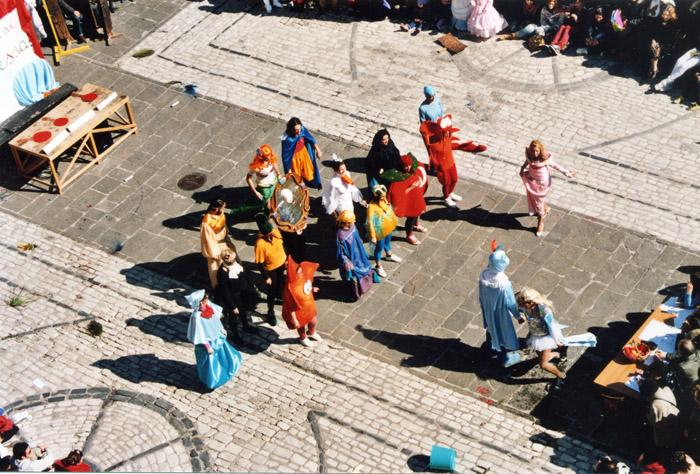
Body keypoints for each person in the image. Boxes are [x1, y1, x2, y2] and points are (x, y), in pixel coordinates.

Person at [420, 114, 486, 208]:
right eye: (445, 132)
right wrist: (438, 166)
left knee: (454, 179)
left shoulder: (447, 139)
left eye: (448, 131)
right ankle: (446, 198)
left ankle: (451, 193)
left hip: (451, 163)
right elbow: (433, 157)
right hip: (443, 167)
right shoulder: (435, 145)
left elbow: (454, 146)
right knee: (446, 183)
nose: (447, 133)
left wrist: (472, 148)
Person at [479, 242, 525, 367]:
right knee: (501, 332)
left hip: (487, 307)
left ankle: (489, 347)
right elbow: (510, 303)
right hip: (501, 312)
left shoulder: (483, 275)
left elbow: (480, 293)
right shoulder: (504, 284)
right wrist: (518, 317)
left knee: (490, 327)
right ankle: (503, 357)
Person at [185, 290, 242, 390]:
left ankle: (224, 369)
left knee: (222, 356)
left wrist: (221, 328)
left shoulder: (207, 306)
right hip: (207, 344)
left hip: (215, 337)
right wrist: (207, 347)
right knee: (209, 363)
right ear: (200, 302)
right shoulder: (196, 317)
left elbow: (214, 318)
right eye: (205, 299)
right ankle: (210, 380)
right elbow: (200, 333)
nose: (208, 300)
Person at [519, 140, 574, 236]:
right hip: (532, 180)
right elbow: (527, 161)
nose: (535, 154)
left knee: (538, 202)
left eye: (537, 151)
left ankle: (540, 221)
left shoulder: (544, 158)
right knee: (537, 198)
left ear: (540, 150)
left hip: (542, 183)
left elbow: (555, 166)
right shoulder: (529, 155)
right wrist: (522, 168)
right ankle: (546, 208)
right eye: (533, 151)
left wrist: (566, 172)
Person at [516, 287, 567, 390]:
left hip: (545, 338)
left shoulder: (544, 310)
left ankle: (561, 376)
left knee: (543, 365)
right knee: (540, 356)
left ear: (532, 302)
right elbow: (518, 309)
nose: (522, 306)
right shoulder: (525, 307)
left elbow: (551, 326)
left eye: (524, 304)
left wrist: (556, 341)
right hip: (535, 335)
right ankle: (560, 351)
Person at [216, 249, 259, 345]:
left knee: (243, 311)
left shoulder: (236, 266)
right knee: (233, 318)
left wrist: (251, 284)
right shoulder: (223, 274)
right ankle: (235, 335)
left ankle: (245, 326)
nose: (234, 262)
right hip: (232, 298)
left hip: (241, 294)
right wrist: (233, 307)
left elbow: (244, 274)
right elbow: (226, 292)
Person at [386, 154, 428, 245]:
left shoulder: (411, 171)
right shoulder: (399, 178)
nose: (408, 168)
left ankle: (415, 224)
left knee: (417, 212)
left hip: (415, 198)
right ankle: (409, 234)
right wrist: (411, 187)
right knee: (411, 217)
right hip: (409, 201)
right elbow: (398, 193)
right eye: (405, 166)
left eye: (409, 165)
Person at [282, 256, 322, 347]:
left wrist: (312, 289)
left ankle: (311, 332)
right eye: (298, 272)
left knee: (313, 321)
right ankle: (303, 338)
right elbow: (290, 305)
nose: (300, 273)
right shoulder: (290, 288)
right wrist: (295, 319)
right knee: (301, 325)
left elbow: (305, 285)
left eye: (300, 271)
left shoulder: (302, 276)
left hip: (309, 306)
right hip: (299, 310)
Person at [254, 213, 286, 326]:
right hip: (271, 269)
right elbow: (260, 263)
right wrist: (266, 277)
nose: (269, 236)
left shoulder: (276, 233)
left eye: (269, 234)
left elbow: (283, 245)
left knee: (281, 284)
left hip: (281, 264)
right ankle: (270, 311)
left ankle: (280, 297)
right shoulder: (260, 244)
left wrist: (286, 258)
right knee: (272, 290)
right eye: (266, 235)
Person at [336, 210, 375, 301]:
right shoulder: (341, 236)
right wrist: (347, 263)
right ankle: (355, 295)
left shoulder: (352, 226)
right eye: (352, 221)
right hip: (351, 259)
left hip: (358, 253)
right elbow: (342, 252)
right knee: (353, 277)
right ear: (346, 223)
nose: (354, 222)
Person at [366, 184, 400, 279]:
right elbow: (370, 222)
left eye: (384, 196)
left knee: (388, 242)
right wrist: (373, 236)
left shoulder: (384, 199)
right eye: (381, 197)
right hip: (379, 231)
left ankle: (389, 255)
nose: (383, 198)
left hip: (388, 227)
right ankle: (378, 266)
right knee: (379, 248)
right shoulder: (371, 207)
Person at [200, 199, 237, 288]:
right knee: (219, 267)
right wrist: (213, 253)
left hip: (224, 241)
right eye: (222, 208)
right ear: (217, 209)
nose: (223, 210)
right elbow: (207, 239)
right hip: (217, 246)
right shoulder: (206, 222)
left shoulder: (219, 213)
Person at [281, 117, 322, 190]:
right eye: (296, 130)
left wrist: (317, 149)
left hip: (304, 154)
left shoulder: (302, 130)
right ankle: (301, 188)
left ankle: (305, 184)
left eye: (299, 129)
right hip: (294, 159)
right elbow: (286, 156)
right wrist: (288, 169)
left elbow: (310, 138)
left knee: (308, 173)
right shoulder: (287, 139)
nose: (299, 131)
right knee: (297, 177)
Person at [639, 376, 680, 449]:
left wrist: (647, 412)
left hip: (666, 435)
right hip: (675, 421)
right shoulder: (667, 389)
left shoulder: (656, 405)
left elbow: (652, 421)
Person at [497, 0, 563, 41]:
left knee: (531, 28)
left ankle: (512, 35)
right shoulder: (544, 9)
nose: (529, 2)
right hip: (540, 24)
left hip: (545, 26)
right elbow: (542, 20)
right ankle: (517, 33)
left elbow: (559, 22)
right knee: (513, 27)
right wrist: (522, 22)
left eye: (552, 4)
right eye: (549, 4)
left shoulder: (559, 12)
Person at [646, 4, 682, 79]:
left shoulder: (674, 23)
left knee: (656, 48)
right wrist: (653, 40)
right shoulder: (659, 19)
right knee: (654, 46)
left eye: (667, 15)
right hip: (657, 40)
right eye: (663, 14)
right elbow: (653, 32)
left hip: (668, 43)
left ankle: (652, 68)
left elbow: (674, 38)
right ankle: (655, 68)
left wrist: (662, 46)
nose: (664, 17)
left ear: (671, 14)